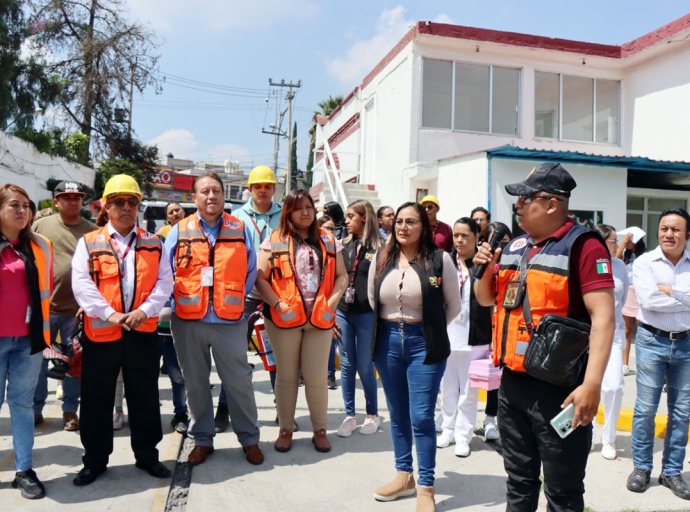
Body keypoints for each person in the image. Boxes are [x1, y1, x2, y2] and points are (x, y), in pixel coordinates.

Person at [474, 162, 614, 512]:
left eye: (526, 198)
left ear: (552, 204)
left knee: (563, 490)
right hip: (513, 385)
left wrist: (592, 385)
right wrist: (483, 268)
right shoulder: (513, 246)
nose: (518, 205)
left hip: (560, 391)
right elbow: (486, 298)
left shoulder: (584, 246)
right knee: (519, 481)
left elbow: (604, 319)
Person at [71, 174, 174, 486]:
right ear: (106, 205)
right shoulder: (88, 242)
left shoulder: (154, 243)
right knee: (96, 398)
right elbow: (82, 285)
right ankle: (95, 461)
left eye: (132, 201)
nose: (126, 207)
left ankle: (147, 456)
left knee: (144, 395)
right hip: (103, 334)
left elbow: (165, 281)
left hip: (142, 332)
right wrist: (111, 314)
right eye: (119, 201)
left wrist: (144, 311)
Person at [165, 172, 263, 467]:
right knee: (195, 383)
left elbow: (251, 270)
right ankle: (202, 439)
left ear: (224, 196)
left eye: (216, 191)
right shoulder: (179, 231)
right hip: (188, 321)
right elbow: (165, 273)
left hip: (229, 320)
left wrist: (231, 300)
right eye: (204, 191)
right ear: (193, 197)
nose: (211, 196)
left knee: (239, 382)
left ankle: (249, 439)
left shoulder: (239, 228)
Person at [368, 201, 460, 512]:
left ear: (424, 226)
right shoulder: (382, 258)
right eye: (399, 221)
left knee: (421, 416)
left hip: (425, 343)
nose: (403, 227)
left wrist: (430, 330)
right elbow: (372, 298)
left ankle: (426, 486)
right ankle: (404, 475)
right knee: (397, 414)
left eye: (411, 221)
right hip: (388, 341)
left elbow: (454, 306)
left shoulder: (439, 259)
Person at [255, 189, 348, 454]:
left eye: (309, 206)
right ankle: (286, 429)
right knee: (286, 376)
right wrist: (277, 303)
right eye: (298, 208)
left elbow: (342, 276)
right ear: (288, 212)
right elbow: (260, 277)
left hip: (320, 318)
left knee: (317, 377)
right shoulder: (273, 240)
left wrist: (332, 302)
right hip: (284, 318)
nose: (305, 212)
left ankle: (320, 429)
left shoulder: (330, 240)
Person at [626, 208, 690, 500]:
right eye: (664, 228)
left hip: (687, 344)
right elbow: (649, 301)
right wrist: (685, 298)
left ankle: (672, 472)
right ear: (658, 232)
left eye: (676, 230)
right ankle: (641, 467)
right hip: (652, 341)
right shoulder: (644, 262)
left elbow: (662, 298)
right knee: (645, 409)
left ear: (687, 235)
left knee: (682, 411)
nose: (669, 234)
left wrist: (671, 292)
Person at [0, 183, 53, 500]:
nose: (22, 211)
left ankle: (24, 469)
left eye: (27, 205)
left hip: (28, 341)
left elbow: (44, 292)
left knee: (22, 405)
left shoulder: (41, 245)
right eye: (14, 205)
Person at [221, 165, 283, 431]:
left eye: (267, 186)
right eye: (257, 186)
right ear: (249, 189)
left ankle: (283, 408)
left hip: (277, 292)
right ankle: (223, 409)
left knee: (279, 354)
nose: (262, 191)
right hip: (245, 293)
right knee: (233, 355)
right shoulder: (236, 217)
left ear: (274, 189)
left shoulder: (285, 216)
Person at [33, 181, 96, 432]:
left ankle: (70, 409)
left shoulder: (93, 232)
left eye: (77, 197)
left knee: (74, 364)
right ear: (56, 201)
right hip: (45, 308)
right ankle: (36, 409)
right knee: (36, 362)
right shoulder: (41, 226)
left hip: (77, 312)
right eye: (66, 197)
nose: (73, 201)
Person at [437, 217, 493, 458]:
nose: (459, 240)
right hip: (447, 334)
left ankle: (463, 436)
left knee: (468, 392)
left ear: (476, 238)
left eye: (465, 236)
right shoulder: (444, 261)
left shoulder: (483, 264)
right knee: (447, 387)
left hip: (475, 336)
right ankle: (448, 429)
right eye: (456, 235)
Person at [334, 200, 383, 438]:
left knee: (365, 365)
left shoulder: (381, 247)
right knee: (346, 364)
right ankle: (349, 415)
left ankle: (372, 413)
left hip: (367, 314)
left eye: (351, 215)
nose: (346, 220)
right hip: (344, 311)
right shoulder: (343, 245)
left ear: (364, 217)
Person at [594, 224, 628, 461]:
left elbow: (622, 300)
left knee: (614, 386)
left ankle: (609, 438)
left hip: (613, 335)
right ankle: (580, 434)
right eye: (613, 240)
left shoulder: (620, 267)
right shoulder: (585, 263)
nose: (617, 244)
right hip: (584, 336)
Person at [156, 202, 189, 434]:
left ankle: (183, 413)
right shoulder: (159, 240)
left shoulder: (194, 233)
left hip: (187, 314)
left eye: (178, 210)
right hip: (157, 315)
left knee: (180, 373)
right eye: (171, 212)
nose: (176, 213)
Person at [617, 231, 646, 376]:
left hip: (640, 293)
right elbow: (613, 260)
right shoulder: (624, 255)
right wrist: (622, 244)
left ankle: (643, 366)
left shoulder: (645, 256)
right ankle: (624, 364)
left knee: (641, 331)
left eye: (628, 240)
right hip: (628, 292)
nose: (626, 242)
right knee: (627, 331)